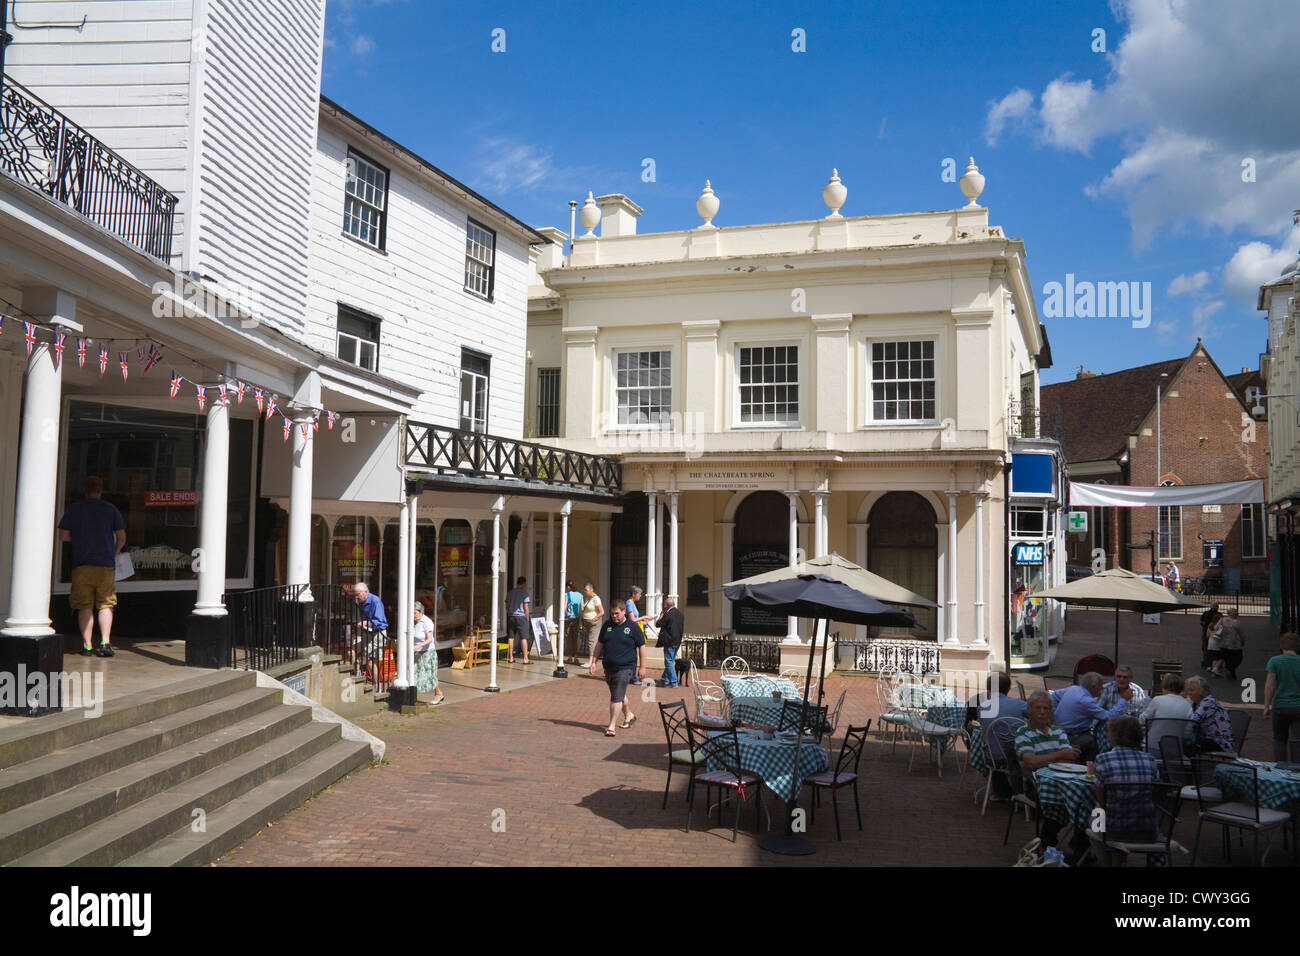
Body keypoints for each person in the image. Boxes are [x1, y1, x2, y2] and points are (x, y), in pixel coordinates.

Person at [57, 475, 126, 658]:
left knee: (84, 605)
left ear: (84, 491)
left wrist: (79, 539)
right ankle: (105, 643)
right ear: (100, 490)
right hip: (105, 565)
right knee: (105, 604)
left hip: (82, 565)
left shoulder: (75, 509)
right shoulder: (110, 509)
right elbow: (122, 536)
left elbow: (63, 536)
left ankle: (87, 646)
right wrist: (115, 551)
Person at [1014, 691, 1083, 857]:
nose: (1043, 712)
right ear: (1030, 710)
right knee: (1059, 803)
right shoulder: (1023, 733)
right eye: (1038, 708)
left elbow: (1070, 760)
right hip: (1036, 785)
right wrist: (1059, 756)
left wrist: (1043, 760)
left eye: (1046, 708)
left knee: (1087, 802)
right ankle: (1049, 843)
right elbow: (1030, 762)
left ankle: (1080, 845)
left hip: (1063, 781)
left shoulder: (1058, 731)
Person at [1092, 716, 1161, 860]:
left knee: (1096, 812)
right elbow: (1155, 790)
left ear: (1113, 736)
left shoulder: (1103, 759)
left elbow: (1101, 799)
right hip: (1147, 830)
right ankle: (1119, 859)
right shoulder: (1150, 760)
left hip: (1113, 831)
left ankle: (1106, 862)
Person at [589, 604, 646, 736]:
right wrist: (593, 661)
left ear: (624, 612)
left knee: (616, 697)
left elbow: (642, 647)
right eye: (612, 614)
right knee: (618, 694)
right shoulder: (607, 625)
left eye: (617, 613)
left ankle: (611, 726)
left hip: (625, 668)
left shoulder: (633, 627)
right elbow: (599, 644)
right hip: (608, 667)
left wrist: (642, 667)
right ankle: (629, 715)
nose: (614, 616)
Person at [970, 672, 1028, 798]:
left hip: (993, 758)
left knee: (992, 746)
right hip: (1019, 756)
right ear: (1008, 689)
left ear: (989, 690)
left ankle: (1000, 791)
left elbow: (984, 727)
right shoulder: (1020, 704)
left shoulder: (982, 708)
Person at [1052, 672, 1127, 761]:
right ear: (1094, 687)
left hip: (1060, 729)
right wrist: (1124, 699)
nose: (1103, 688)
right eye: (1101, 685)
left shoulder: (1073, 689)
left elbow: (1054, 696)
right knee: (1095, 743)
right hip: (1073, 735)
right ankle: (1091, 767)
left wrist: (1056, 715)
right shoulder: (1085, 701)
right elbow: (1108, 716)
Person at [1263, 632, 1300, 762]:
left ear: (1281, 646)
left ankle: (1280, 768)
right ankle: (1297, 771)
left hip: (1280, 706)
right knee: (1297, 741)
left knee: (1279, 739)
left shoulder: (1275, 661)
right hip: (1298, 706)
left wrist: (1266, 706)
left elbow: (1270, 685)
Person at [1139, 673, 1195, 754]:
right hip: (1175, 749)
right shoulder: (1188, 705)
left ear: (1164, 687)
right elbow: (1187, 732)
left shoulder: (1157, 700)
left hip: (1153, 746)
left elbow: (1143, 720)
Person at [1184, 675, 1232, 752]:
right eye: (1188, 690)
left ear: (1201, 691)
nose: (1189, 693)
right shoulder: (1193, 703)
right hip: (1206, 740)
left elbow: (1193, 721)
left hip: (1220, 743)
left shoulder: (1209, 702)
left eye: (1192, 690)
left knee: (1187, 743)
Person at [410, 601, 444, 703]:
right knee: (414, 673)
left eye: (415, 613)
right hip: (416, 652)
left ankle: (438, 694)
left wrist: (418, 646)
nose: (413, 615)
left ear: (421, 612)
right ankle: (412, 696)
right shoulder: (412, 622)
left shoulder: (427, 622)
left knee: (429, 673)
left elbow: (429, 639)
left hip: (427, 652)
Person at [654, 596, 684, 687]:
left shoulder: (668, 614)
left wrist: (660, 616)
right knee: (670, 661)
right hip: (677, 641)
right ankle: (665, 680)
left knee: (668, 662)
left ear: (666, 605)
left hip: (669, 641)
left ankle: (674, 682)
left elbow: (658, 624)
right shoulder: (680, 614)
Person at [505, 576, 532, 664]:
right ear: (523, 583)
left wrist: (509, 613)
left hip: (511, 616)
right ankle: (525, 658)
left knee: (511, 637)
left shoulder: (510, 592)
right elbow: (526, 608)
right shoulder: (524, 594)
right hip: (521, 617)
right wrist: (527, 618)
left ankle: (511, 658)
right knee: (523, 637)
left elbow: (507, 606)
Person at [1215, 609, 1245, 680]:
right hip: (1234, 645)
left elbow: (1215, 628)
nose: (1237, 615)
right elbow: (1241, 633)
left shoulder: (1222, 620)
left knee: (1227, 658)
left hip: (1223, 644)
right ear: (1233, 614)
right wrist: (1243, 641)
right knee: (1238, 658)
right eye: (1237, 614)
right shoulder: (1236, 622)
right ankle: (1230, 669)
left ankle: (1231, 672)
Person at [577, 583, 604, 661]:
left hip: (594, 623)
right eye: (584, 590)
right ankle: (592, 659)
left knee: (591, 641)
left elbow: (602, 612)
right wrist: (581, 602)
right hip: (587, 623)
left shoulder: (596, 599)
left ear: (591, 590)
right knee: (590, 641)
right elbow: (583, 610)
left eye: (586, 590)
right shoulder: (588, 598)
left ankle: (591, 661)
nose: (584, 591)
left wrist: (595, 618)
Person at [562, 580, 583, 659]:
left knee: (568, 637)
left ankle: (570, 655)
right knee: (575, 636)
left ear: (568, 587)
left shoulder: (566, 594)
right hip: (576, 618)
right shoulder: (580, 595)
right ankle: (576, 655)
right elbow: (582, 607)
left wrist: (562, 616)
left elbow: (565, 606)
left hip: (568, 618)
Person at [1199, 602, 1221, 669]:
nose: (1218, 607)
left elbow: (1201, 622)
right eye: (1217, 606)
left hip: (1206, 632)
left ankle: (1206, 662)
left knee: (1206, 648)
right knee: (1216, 650)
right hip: (1217, 635)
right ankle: (1214, 663)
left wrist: (1204, 626)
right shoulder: (1219, 615)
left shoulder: (1205, 613)